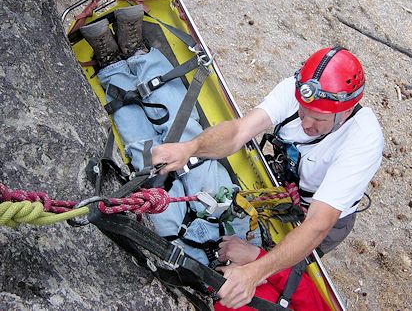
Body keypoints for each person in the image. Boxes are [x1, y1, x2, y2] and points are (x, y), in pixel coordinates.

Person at [152, 45, 384, 308]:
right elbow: (239, 131)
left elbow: (318, 223)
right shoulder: (297, 89)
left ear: (345, 112)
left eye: (318, 119)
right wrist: (190, 148)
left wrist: (255, 270)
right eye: (303, 112)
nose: (306, 123)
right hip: (286, 190)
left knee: (289, 272)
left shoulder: (363, 140)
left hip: (322, 216)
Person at [78, 4, 261, 265]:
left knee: (144, 155)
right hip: (234, 228)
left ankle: (112, 67)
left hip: (184, 251)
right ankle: (138, 53)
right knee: (187, 135)